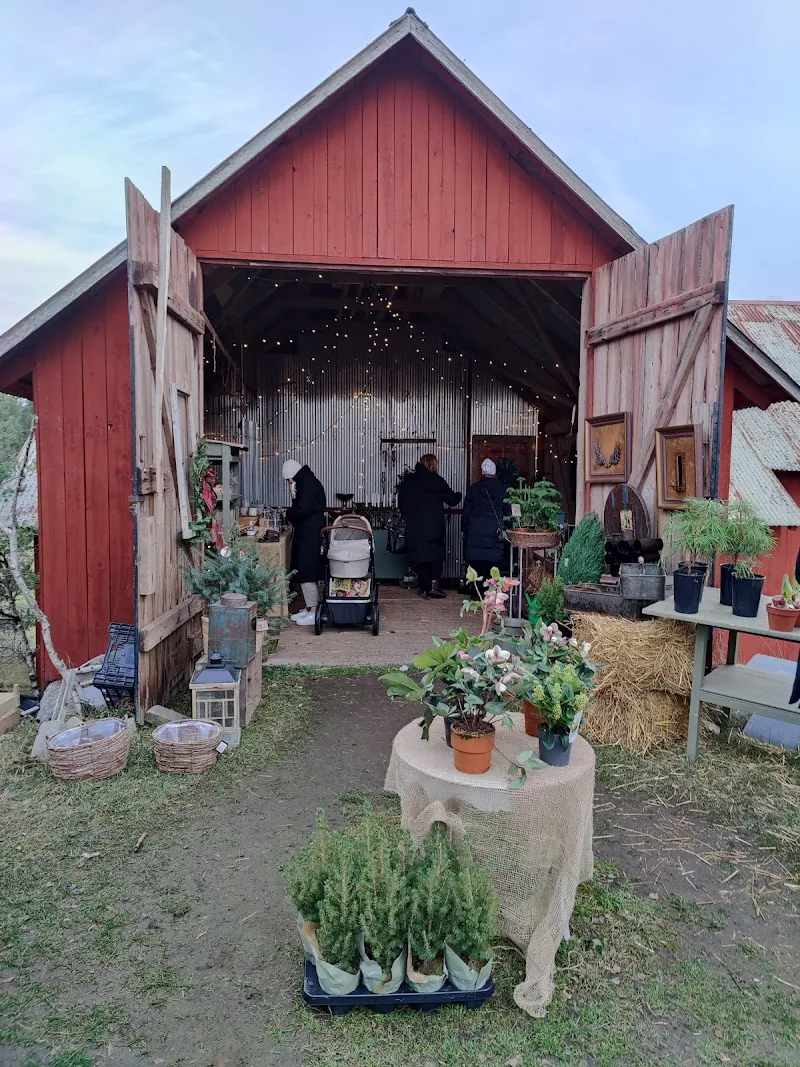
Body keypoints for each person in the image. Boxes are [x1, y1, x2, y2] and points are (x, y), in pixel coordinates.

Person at [398, 454, 461, 598]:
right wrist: (459, 495)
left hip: (416, 527)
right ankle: (434, 587)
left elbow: (402, 501)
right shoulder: (437, 481)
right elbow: (452, 500)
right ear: (433, 465)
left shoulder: (411, 482)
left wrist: (409, 516)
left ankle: (423, 588)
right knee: (436, 557)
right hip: (435, 526)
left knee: (421, 557)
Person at [282, 459, 326, 626]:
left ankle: (313, 611)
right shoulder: (307, 481)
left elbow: (302, 509)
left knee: (307, 572)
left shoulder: (306, 484)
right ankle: (309, 608)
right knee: (307, 571)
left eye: (288, 480)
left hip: (310, 534)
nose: (288, 483)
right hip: (310, 532)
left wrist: (289, 513)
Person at [462, 458, 509, 580]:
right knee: (493, 567)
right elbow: (508, 512)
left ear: (482, 472)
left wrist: (465, 530)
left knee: (476, 566)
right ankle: (491, 593)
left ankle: (476, 592)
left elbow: (466, 513)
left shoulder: (473, 489)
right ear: (494, 472)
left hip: (475, 532)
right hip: (495, 533)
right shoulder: (502, 490)